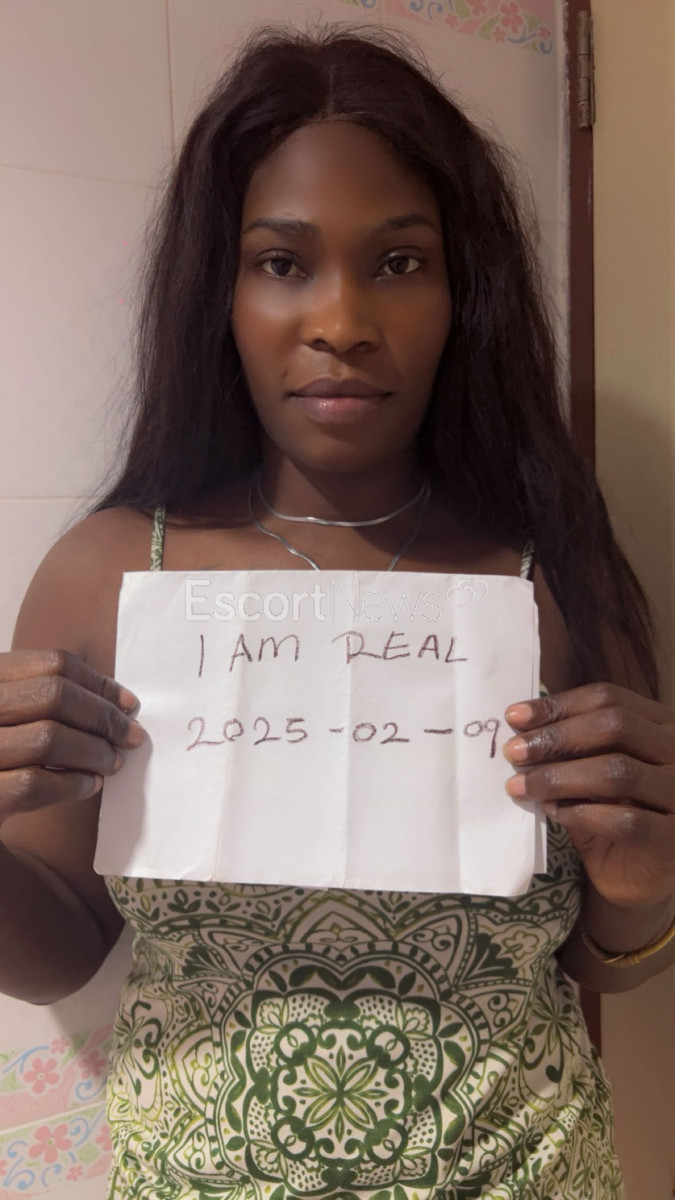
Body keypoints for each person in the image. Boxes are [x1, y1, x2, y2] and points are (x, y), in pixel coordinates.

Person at [1, 19, 674, 1200]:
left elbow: (599, 963)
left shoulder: (552, 571)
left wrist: (641, 883)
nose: (342, 321)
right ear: (219, 291)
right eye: (283, 263)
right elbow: (59, 954)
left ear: (466, 293)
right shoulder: (106, 574)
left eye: (400, 262)